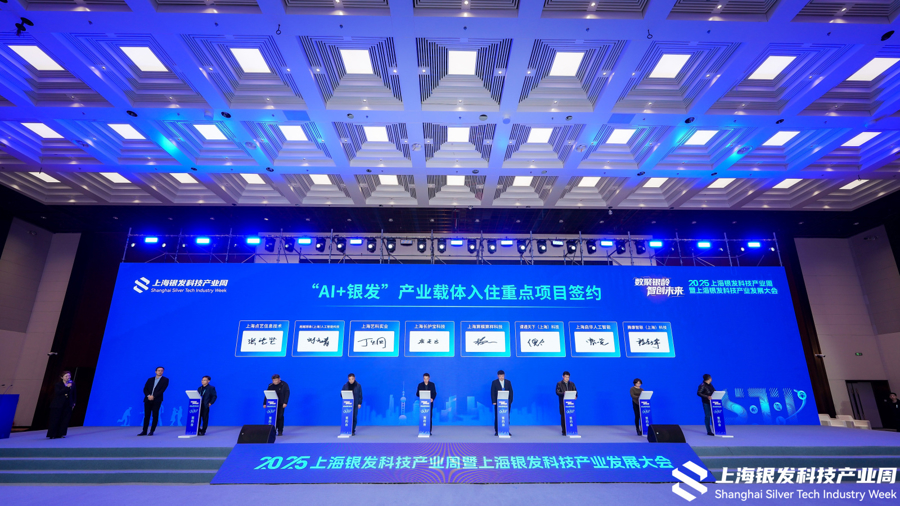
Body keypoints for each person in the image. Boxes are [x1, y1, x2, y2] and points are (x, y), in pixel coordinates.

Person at [139, 367, 168, 436]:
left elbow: (162, 390)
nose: (160, 372)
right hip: (148, 399)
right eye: (158, 370)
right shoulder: (150, 379)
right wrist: (148, 395)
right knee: (147, 415)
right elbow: (145, 389)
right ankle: (144, 431)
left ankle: (152, 431)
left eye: (161, 371)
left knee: (155, 415)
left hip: (157, 400)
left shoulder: (165, 380)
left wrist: (153, 396)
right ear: (155, 371)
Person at [47, 371, 76, 439]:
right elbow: (58, 393)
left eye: (69, 376)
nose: (68, 377)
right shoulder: (58, 384)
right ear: (61, 377)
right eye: (66, 376)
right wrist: (67, 387)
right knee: (55, 419)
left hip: (67, 404)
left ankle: (61, 434)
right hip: (58, 404)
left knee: (65, 419)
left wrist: (74, 402)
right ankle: (52, 434)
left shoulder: (72, 384)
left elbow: (74, 394)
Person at [490, 370, 513, 436]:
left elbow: (511, 392)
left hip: (506, 403)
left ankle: (506, 430)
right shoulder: (494, 382)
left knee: (506, 416)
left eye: (502, 376)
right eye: (500, 376)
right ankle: (497, 431)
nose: (501, 377)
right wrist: (494, 401)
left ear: (504, 375)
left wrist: (510, 401)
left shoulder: (508, 382)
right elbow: (492, 392)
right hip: (498, 403)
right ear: (498, 376)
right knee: (497, 416)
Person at [555, 371, 576, 436]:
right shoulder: (559, 383)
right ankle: (564, 431)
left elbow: (575, 391)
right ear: (563, 376)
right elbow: (557, 392)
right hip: (562, 403)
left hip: (570, 403)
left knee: (571, 416)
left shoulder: (572, 384)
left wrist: (576, 396)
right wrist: (564, 393)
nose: (567, 378)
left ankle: (571, 430)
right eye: (566, 377)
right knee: (563, 417)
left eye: (568, 377)